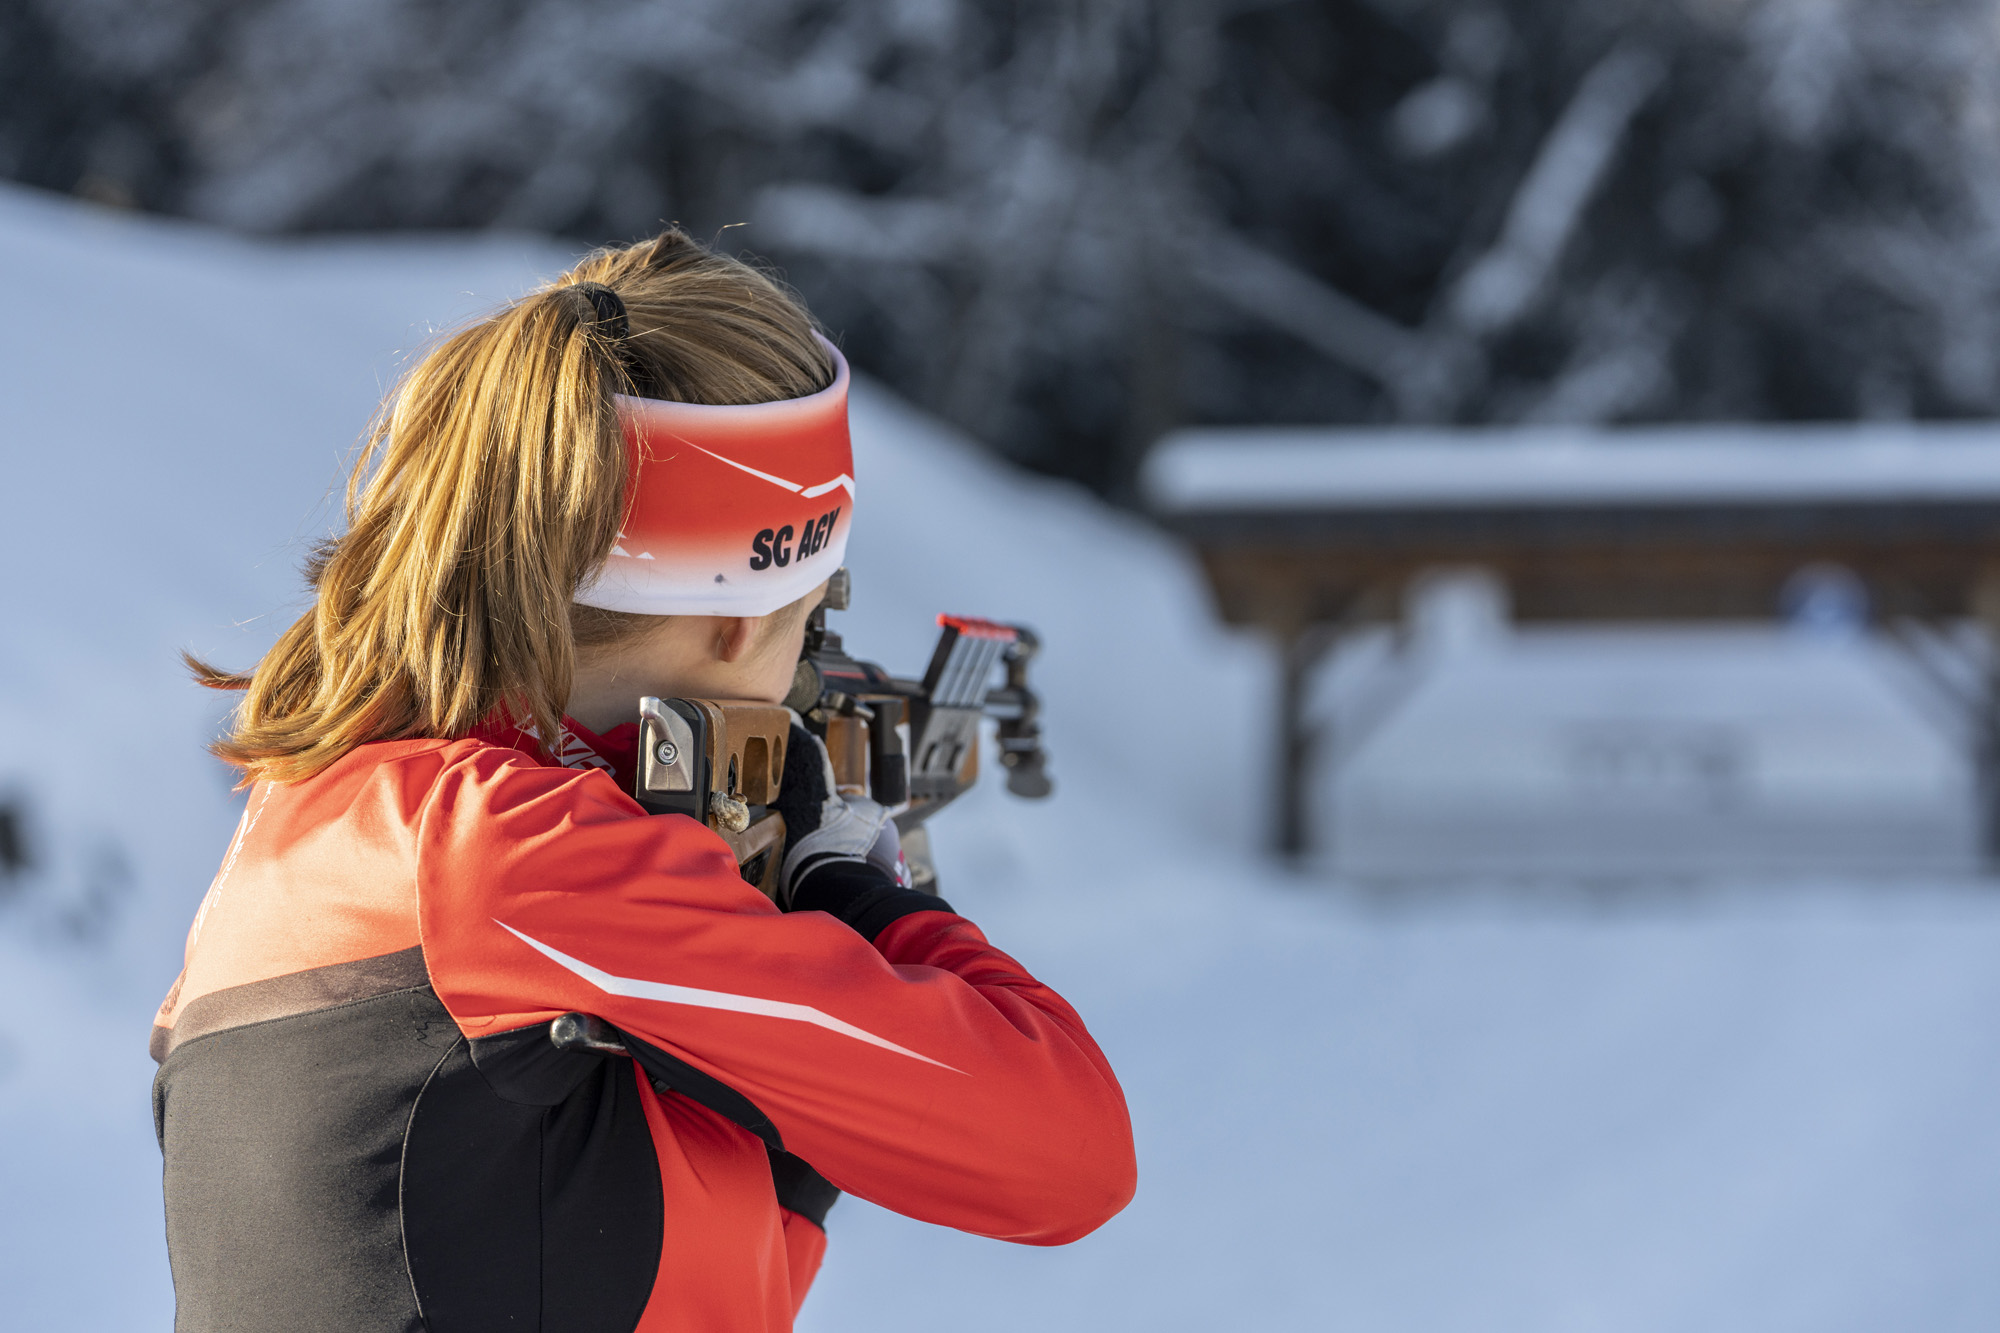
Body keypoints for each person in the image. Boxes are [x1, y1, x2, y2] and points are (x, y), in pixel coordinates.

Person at [150, 230, 1136, 1333]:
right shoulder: (515, 854)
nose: (807, 667)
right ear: (740, 615)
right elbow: (1072, 1155)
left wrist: (786, 1136)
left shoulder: (336, 822)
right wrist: (852, 896)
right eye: (812, 623)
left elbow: (612, 1273)